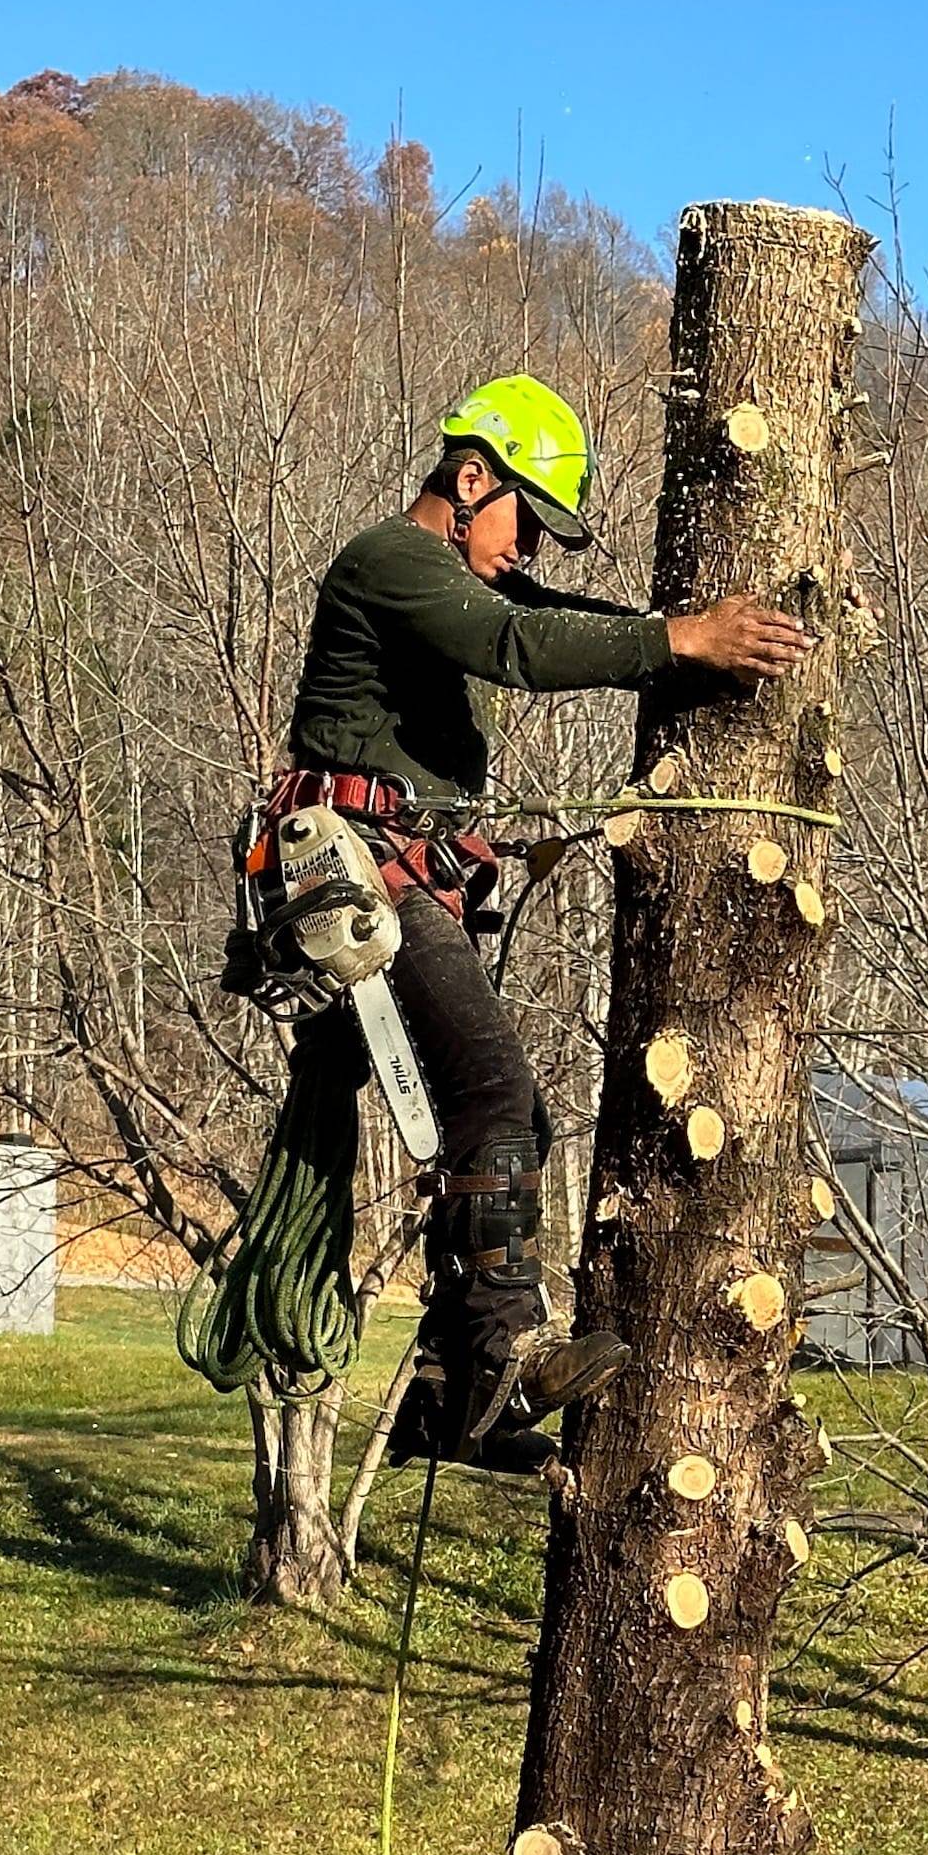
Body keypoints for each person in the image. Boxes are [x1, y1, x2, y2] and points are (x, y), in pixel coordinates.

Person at [274, 375, 805, 1470]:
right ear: (472, 480)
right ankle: (504, 1356)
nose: (527, 551)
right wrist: (681, 642)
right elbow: (516, 645)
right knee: (495, 1093)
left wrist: (683, 637)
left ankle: (448, 1385)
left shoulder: (451, 579)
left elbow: (542, 621)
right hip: (358, 873)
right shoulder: (392, 562)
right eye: (525, 521)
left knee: (513, 1124)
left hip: (400, 874)